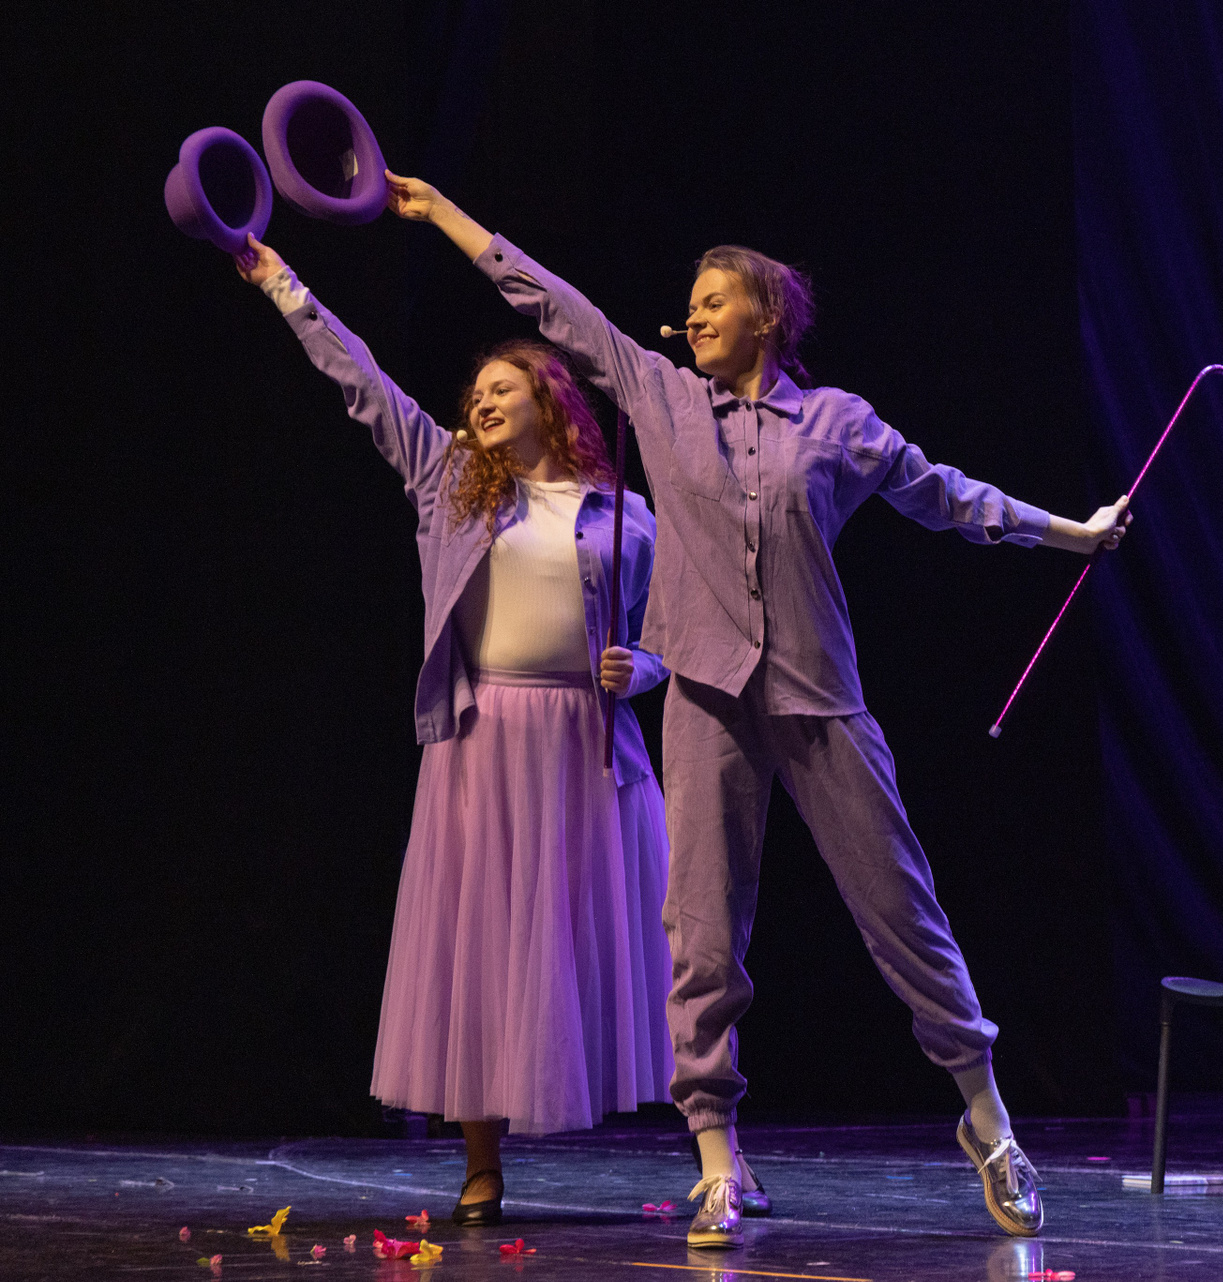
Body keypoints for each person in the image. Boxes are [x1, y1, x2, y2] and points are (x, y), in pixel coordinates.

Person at [384, 171, 1130, 1248]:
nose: (692, 316)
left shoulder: (835, 424)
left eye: (713, 301)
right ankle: (717, 1160)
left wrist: (1069, 532)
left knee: (903, 910)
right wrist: (445, 215)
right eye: (689, 303)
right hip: (705, 699)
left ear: (766, 315)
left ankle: (988, 1120)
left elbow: (945, 494)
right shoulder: (659, 396)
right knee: (701, 935)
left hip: (819, 696)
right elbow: (549, 302)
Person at [230, 235, 675, 1226]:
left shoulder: (624, 516)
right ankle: (481, 1166)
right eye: (473, 393)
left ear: (551, 401)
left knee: (623, 946)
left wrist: (642, 669)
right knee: (478, 947)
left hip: (584, 746)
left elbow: (677, 639)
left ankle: (716, 1150)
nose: (480, 402)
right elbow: (362, 383)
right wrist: (282, 285)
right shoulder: (448, 480)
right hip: (484, 742)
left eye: (500, 388)